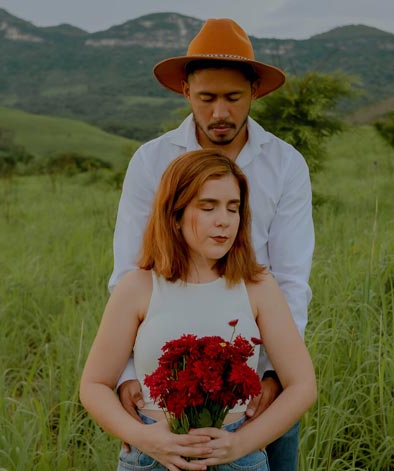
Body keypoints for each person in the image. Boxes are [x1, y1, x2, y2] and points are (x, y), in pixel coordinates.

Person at [109, 18, 314, 469]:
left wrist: (275, 374)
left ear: (255, 92)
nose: (220, 113)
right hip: (165, 379)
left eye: (233, 98)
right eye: (207, 98)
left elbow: (292, 279)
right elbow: (129, 270)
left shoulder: (285, 165)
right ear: (185, 91)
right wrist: (126, 373)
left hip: (260, 371)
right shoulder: (152, 161)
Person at [81, 150, 316, 471]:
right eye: (208, 207)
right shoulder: (138, 287)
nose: (224, 220)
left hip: (236, 455)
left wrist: (241, 444)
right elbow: (93, 385)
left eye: (233, 208)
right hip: (152, 456)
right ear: (175, 215)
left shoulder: (258, 286)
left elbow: (302, 386)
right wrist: (143, 437)